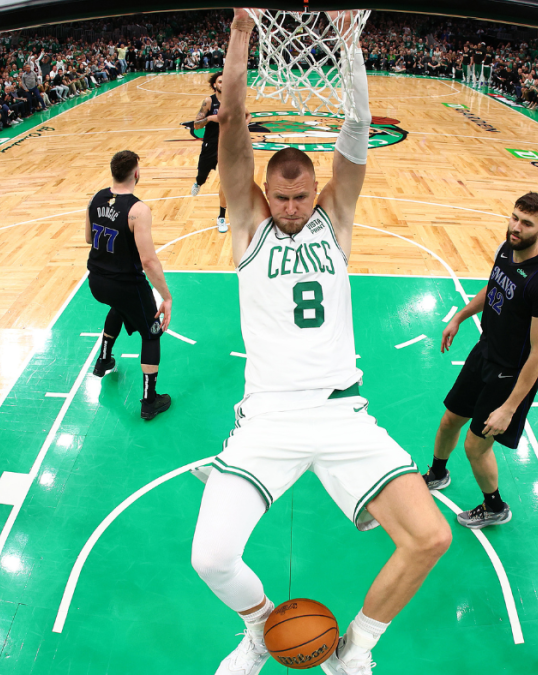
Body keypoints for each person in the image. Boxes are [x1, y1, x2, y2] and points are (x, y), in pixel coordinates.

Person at [191, 11, 450, 675]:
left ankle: (355, 649)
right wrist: (241, 36)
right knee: (211, 557)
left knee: (429, 536)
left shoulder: (334, 220)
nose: (291, 207)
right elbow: (236, 129)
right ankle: (256, 631)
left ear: (316, 191)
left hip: (342, 412)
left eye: (301, 196)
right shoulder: (248, 225)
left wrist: (348, 42)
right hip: (270, 415)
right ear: (263, 193)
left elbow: (357, 130)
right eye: (281, 197)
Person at [422, 193, 538, 529]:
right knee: (449, 421)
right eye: (514, 218)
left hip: (510, 375)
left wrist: (510, 407)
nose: (516, 227)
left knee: (475, 446)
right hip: (485, 352)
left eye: (526, 223)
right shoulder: (506, 250)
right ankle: (437, 472)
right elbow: (493, 288)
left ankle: (494, 506)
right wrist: (460, 316)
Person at [85, 150, 173, 419]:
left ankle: (103, 360)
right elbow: (148, 261)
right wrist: (166, 297)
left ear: (114, 173)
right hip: (126, 285)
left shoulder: (95, 198)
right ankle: (149, 401)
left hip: (96, 282)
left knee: (119, 307)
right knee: (152, 332)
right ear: (136, 173)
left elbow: (89, 239)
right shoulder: (138, 210)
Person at [191, 72, 229, 233]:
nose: (223, 83)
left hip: (227, 146)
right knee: (202, 175)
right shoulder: (209, 101)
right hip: (210, 144)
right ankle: (198, 182)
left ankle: (221, 217)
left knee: (226, 183)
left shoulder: (232, 101)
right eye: (220, 81)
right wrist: (211, 119)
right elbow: (196, 125)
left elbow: (246, 115)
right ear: (215, 85)